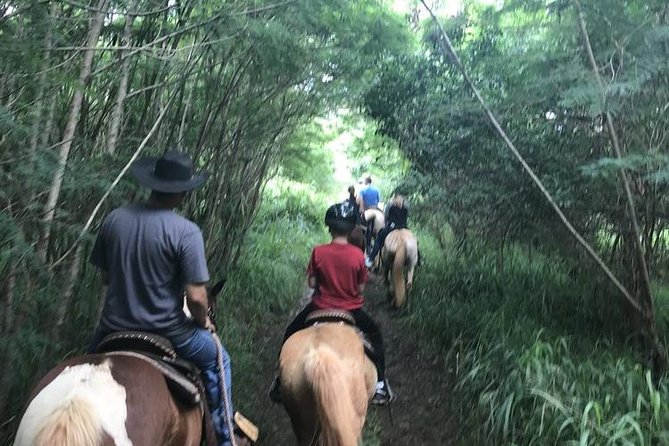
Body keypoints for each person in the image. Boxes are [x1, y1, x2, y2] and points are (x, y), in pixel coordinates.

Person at [88, 151, 248, 446]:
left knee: (83, 367)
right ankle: (226, 438)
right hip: (169, 332)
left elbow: (106, 279)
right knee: (219, 360)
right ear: (184, 192)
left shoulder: (114, 219)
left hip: (112, 329)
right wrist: (205, 324)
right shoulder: (187, 233)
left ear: (151, 183)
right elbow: (198, 298)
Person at [269, 201, 394, 405]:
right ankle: (380, 384)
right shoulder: (357, 256)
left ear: (329, 227)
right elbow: (361, 288)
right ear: (353, 228)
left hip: (319, 308)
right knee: (375, 335)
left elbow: (311, 282)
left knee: (291, 331)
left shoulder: (318, 251)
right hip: (351, 311)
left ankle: (279, 380)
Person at [365, 193, 409, 268]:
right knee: (414, 241)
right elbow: (406, 219)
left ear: (395, 199)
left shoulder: (390, 206)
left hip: (392, 227)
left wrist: (387, 224)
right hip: (404, 227)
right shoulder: (406, 208)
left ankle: (371, 259)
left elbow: (386, 218)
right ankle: (418, 258)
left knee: (379, 239)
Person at [358, 176, 382, 250]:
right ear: (371, 182)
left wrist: (362, 209)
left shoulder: (362, 190)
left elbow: (360, 201)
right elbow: (378, 201)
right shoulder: (376, 190)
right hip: (375, 208)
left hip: (367, 209)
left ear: (365, 182)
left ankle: (365, 243)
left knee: (359, 224)